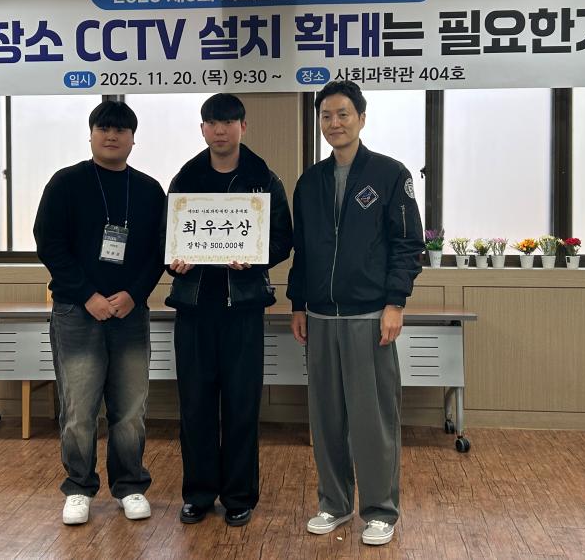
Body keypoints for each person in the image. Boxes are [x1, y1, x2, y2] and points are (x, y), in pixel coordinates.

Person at [287, 80, 424, 546]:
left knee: (373, 419)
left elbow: (408, 245)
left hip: (370, 317)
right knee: (326, 419)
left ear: (362, 119)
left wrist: (395, 302)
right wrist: (298, 304)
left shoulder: (390, 174)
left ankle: (381, 510)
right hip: (320, 317)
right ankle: (334, 503)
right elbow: (302, 252)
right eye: (326, 115)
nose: (334, 123)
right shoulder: (310, 182)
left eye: (343, 114)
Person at [34, 100, 165, 526]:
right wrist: (87, 294)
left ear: (133, 139)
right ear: (90, 134)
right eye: (103, 128)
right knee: (78, 410)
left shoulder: (148, 190)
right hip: (77, 312)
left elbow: (158, 252)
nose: (111, 136)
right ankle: (78, 487)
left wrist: (134, 294)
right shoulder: (66, 183)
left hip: (130, 314)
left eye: (120, 130)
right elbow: (49, 244)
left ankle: (130, 486)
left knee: (130, 409)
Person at [165, 93, 293, 527]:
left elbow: (283, 238)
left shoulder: (264, 179)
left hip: (243, 309)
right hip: (194, 307)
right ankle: (198, 494)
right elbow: (168, 237)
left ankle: (239, 495)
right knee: (195, 405)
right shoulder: (185, 178)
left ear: (243, 126)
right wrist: (174, 262)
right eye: (212, 123)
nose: (220, 130)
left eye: (228, 122)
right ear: (203, 129)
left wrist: (254, 258)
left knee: (241, 405)